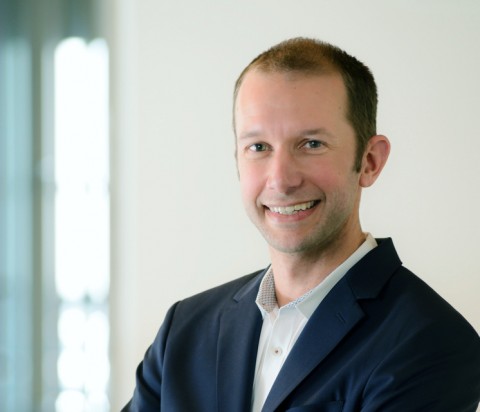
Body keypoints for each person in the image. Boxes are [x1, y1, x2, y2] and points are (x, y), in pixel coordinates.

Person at [122, 38, 480, 411]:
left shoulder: (432, 341)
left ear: (370, 161)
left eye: (311, 144)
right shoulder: (184, 329)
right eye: (258, 147)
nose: (280, 179)